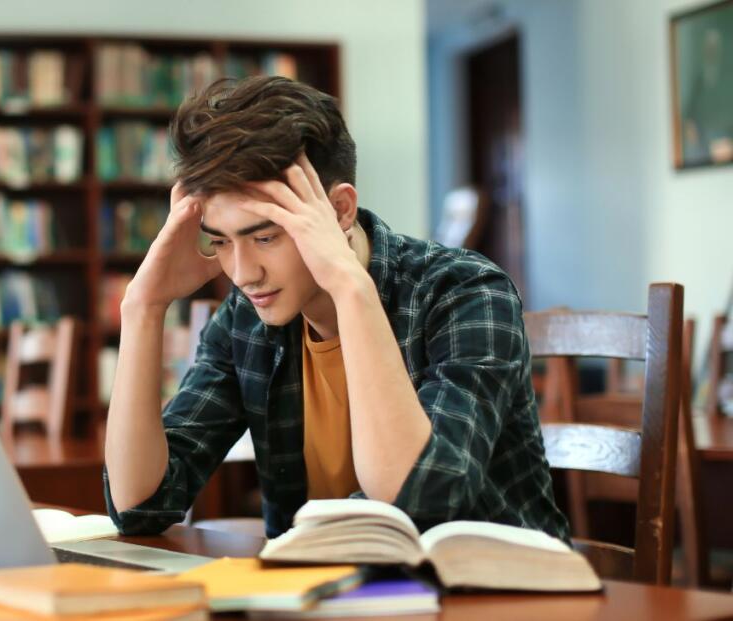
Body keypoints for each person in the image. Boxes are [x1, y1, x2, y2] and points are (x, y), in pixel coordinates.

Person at [103, 76, 569, 541]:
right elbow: (141, 506)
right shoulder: (246, 321)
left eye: (265, 237)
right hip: (328, 596)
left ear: (341, 210)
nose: (243, 274)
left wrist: (350, 288)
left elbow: (419, 502)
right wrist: (143, 307)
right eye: (221, 241)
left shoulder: (465, 292)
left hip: (491, 596)